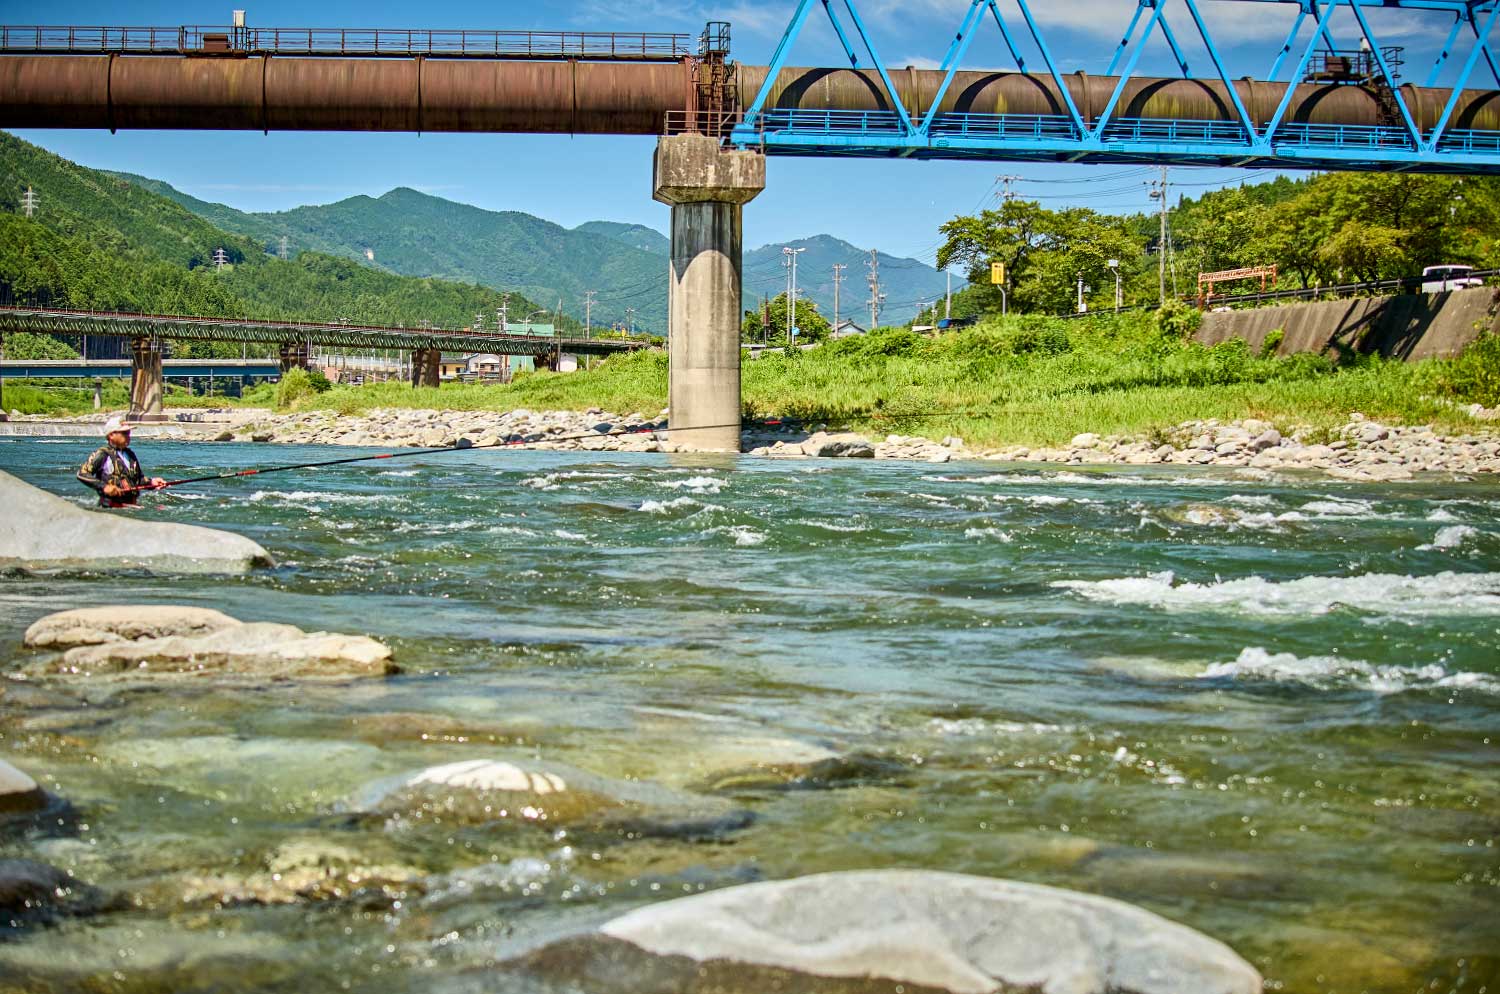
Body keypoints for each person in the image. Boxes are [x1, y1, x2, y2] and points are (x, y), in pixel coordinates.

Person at [77, 417, 166, 509]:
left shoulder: (130, 454)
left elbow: (138, 480)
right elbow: (82, 474)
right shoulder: (103, 454)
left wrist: (152, 482)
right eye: (124, 433)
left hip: (132, 506)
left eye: (129, 433)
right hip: (110, 507)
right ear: (111, 435)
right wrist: (104, 487)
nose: (128, 436)